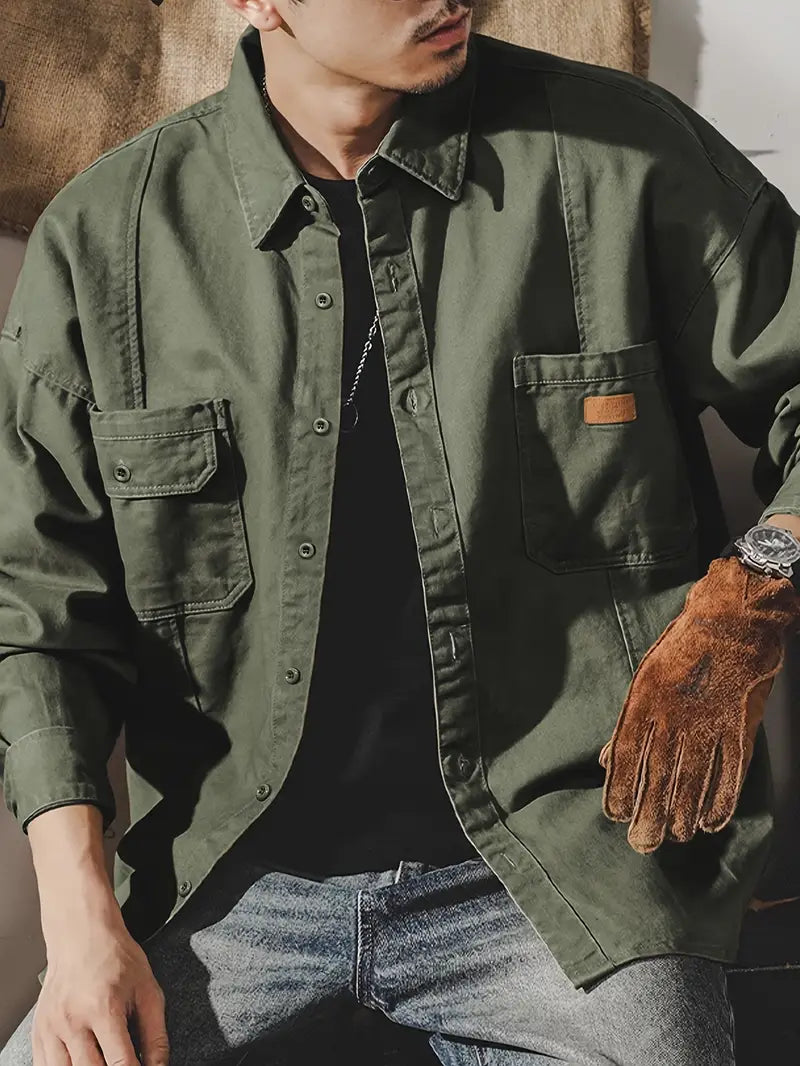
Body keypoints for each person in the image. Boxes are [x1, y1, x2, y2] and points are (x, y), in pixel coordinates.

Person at [2, 0, 800, 1063]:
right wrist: (78, 929)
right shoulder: (110, 237)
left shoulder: (622, 157)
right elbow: (37, 611)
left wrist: (757, 587)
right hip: (226, 886)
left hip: (565, 880)